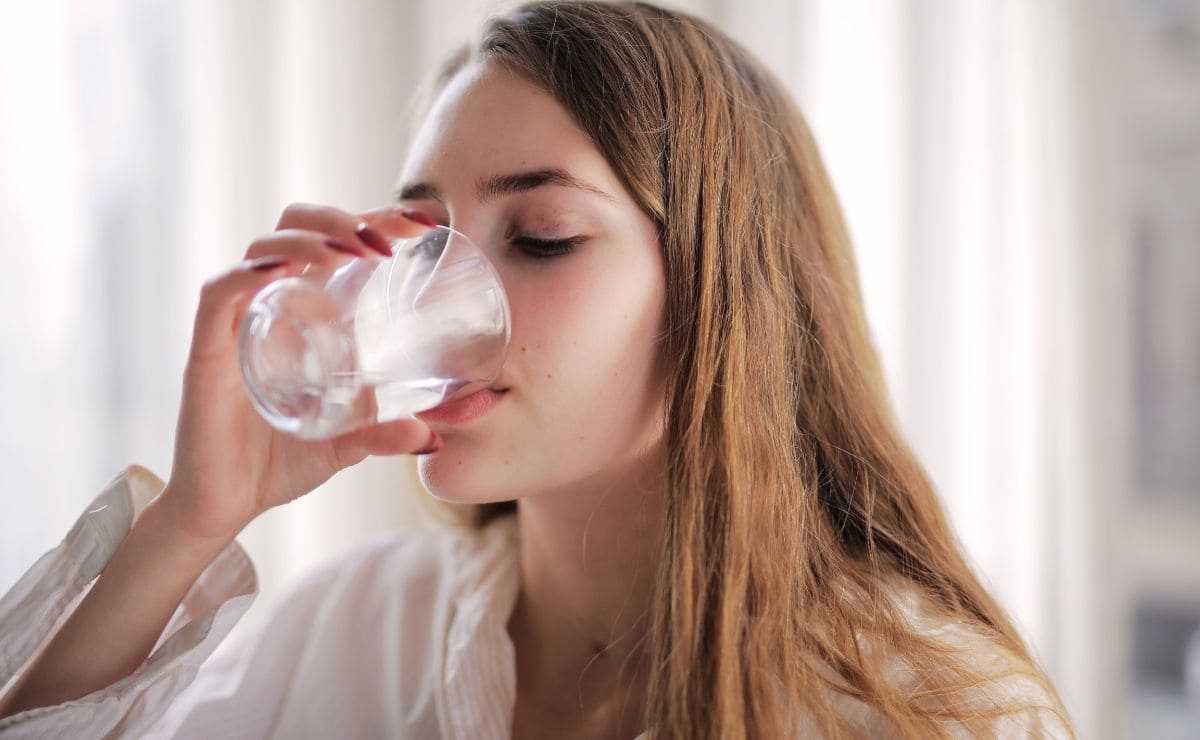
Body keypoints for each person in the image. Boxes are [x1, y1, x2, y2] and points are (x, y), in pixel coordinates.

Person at [0, 1, 1074, 737]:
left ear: (720, 293)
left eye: (544, 235)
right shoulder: (357, 629)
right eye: (418, 239)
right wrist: (191, 521)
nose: (429, 296)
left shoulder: (930, 707)